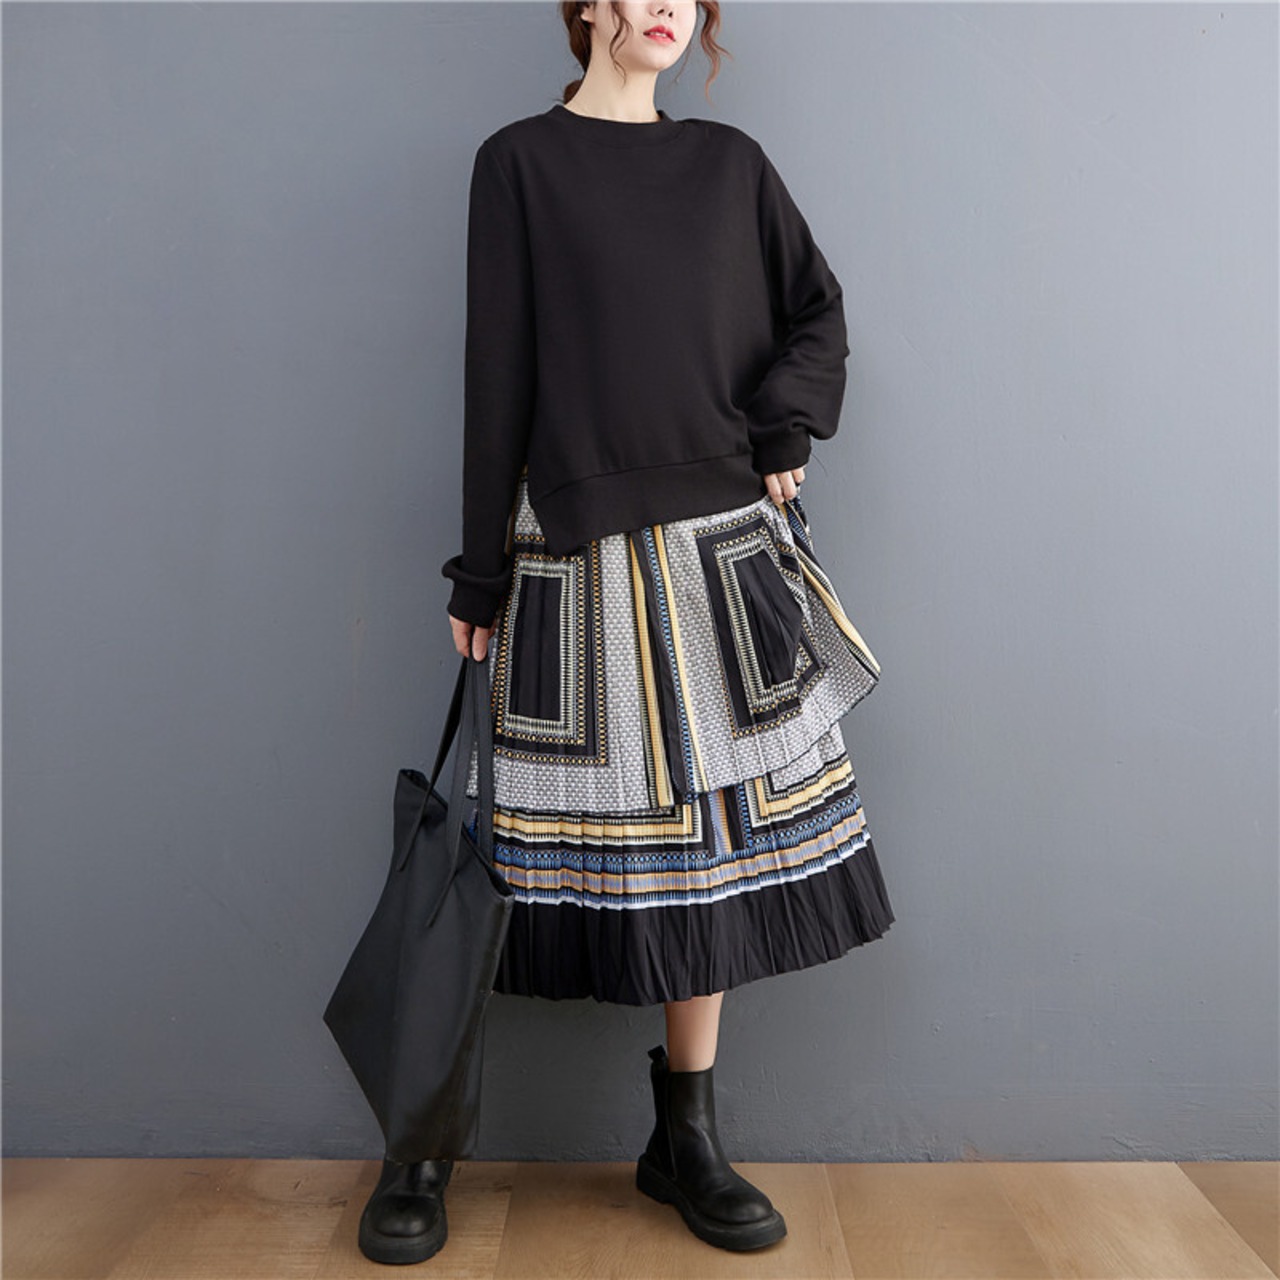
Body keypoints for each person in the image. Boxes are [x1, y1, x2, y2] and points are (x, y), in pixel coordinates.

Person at [359, 0, 895, 1265]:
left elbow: (816, 312)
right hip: (571, 552)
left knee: (711, 846)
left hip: (719, 557)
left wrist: (784, 423)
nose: (667, 7)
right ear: (587, 6)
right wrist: (478, 571)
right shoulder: (518, 164)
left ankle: (684, 1137)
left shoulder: (730, 165)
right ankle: (422, 1142)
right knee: (506, 857)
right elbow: (496, 373)